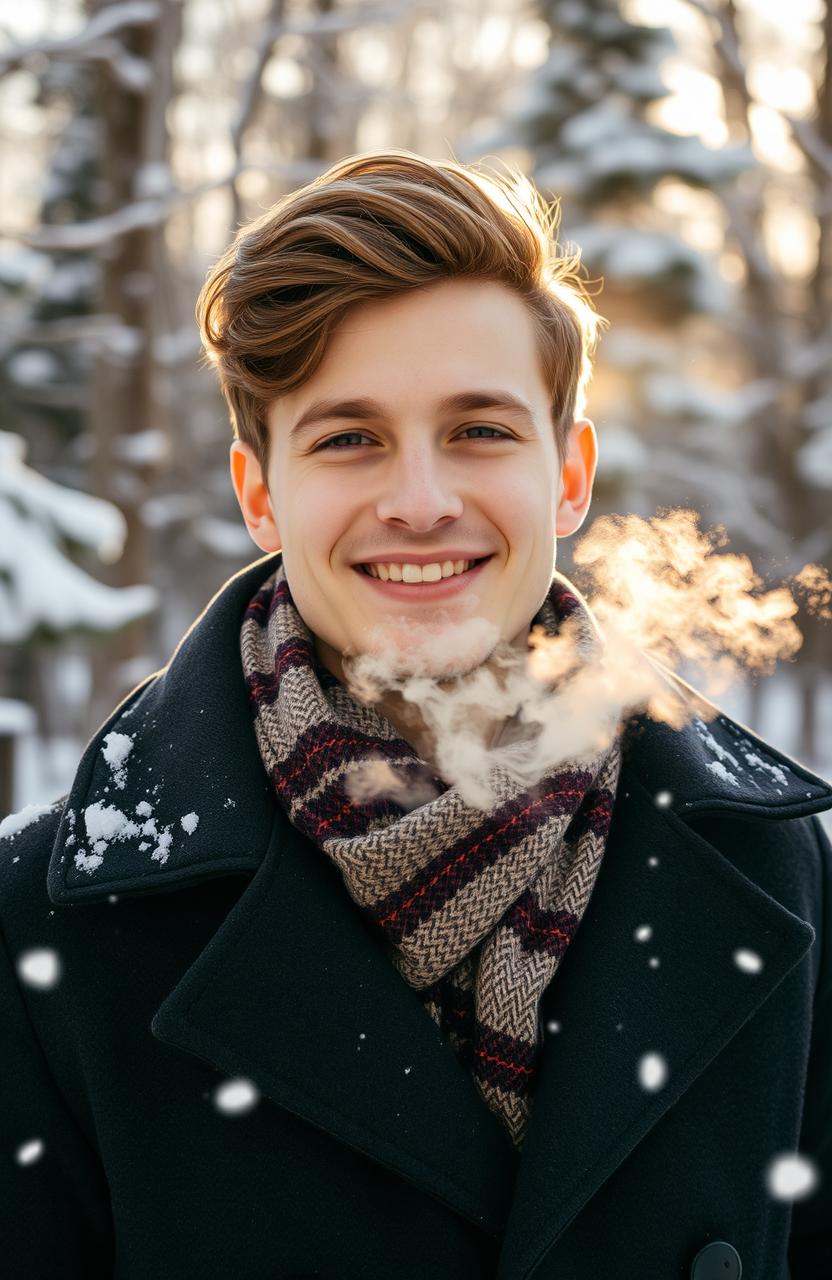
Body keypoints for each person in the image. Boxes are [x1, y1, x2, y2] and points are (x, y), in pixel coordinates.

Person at [1, 149, 830, 1280]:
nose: (422, 500)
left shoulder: (768, 863)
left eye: (480, 429)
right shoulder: (52, 920)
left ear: (569, 474)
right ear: (260, 493)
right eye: (349, 438)